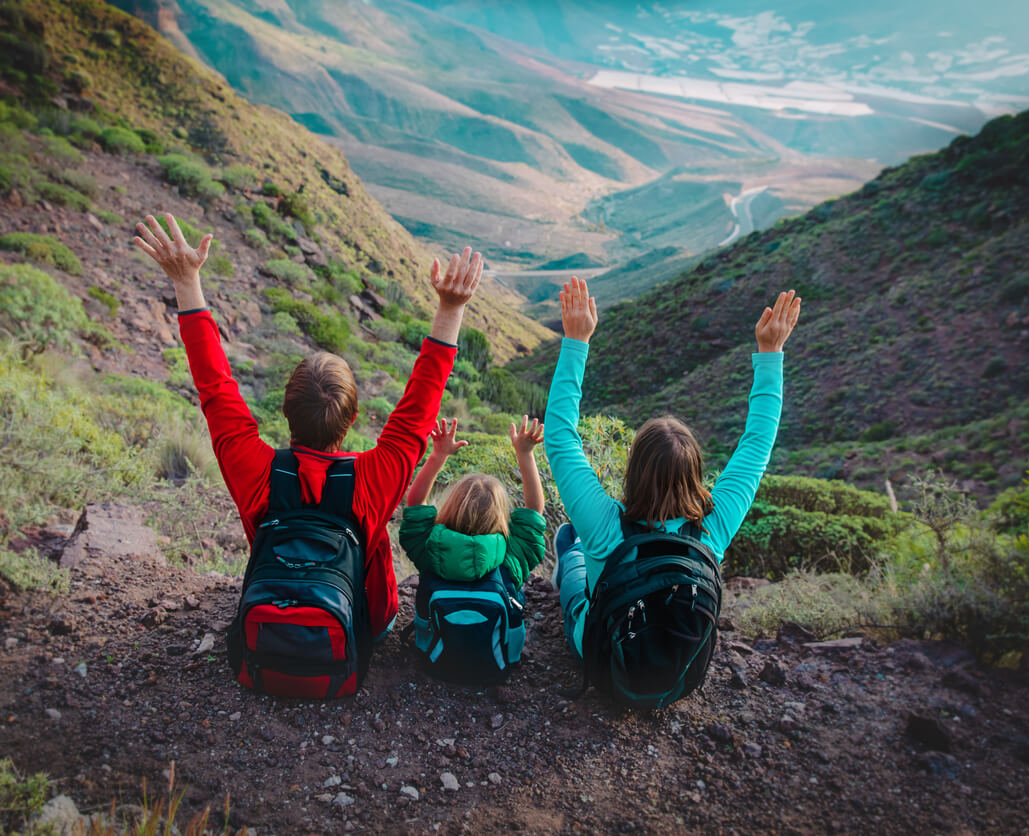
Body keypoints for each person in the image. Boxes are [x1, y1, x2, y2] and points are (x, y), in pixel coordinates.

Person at [133, 213, 483, 648]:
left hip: (271, 616)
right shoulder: (376, 476)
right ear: (352, 419)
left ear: (284, 410)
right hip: (363, 624)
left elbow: (215, 389)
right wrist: (451, 308)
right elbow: (420, 405)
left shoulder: (255, 469)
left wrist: (186, 281)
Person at [546, 275, 801, 667]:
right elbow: (757, 446)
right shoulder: (712, 530)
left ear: (634, 470)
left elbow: (561, 438)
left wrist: (577, 341)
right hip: (679, 673)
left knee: (574, 559)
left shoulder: (604, 527)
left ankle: (573, 565)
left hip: (604, 663)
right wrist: (770, 353)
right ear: (696, 473)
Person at [397, 417, 547, 683]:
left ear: (451, 506)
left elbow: (415, 503)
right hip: (497, 668)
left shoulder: (430, 547)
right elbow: (534, 512)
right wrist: (525, 454)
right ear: (500, 516)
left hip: (435, 664)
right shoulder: (510, 557)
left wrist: (438, 455)